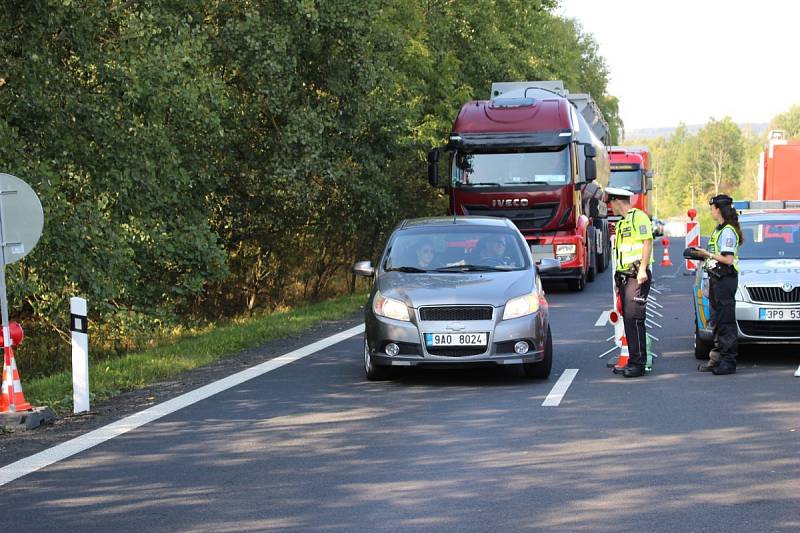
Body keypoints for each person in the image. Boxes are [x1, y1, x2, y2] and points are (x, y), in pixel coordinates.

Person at [606, 187, 653, 378]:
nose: (610, 206)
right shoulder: (622, 223)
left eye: (611, 202)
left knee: (635, 320)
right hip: (626, 277)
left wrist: (642, 269)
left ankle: (638, 363)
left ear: (618, 201)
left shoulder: (638, 217)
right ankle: (633, 361)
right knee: (629, 320)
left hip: (637, 276)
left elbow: (647, 241)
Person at [694, 194, 742, 375]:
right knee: (716, 321)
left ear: (719, 209)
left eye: (712, 208)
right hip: (716, 278)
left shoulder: (728, 231)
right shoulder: (719, 229)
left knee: (726, 322)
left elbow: (728, 259)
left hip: (725, 279)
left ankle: (729, 361)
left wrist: (707, 254)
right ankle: (717, 359)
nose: (711, 211)